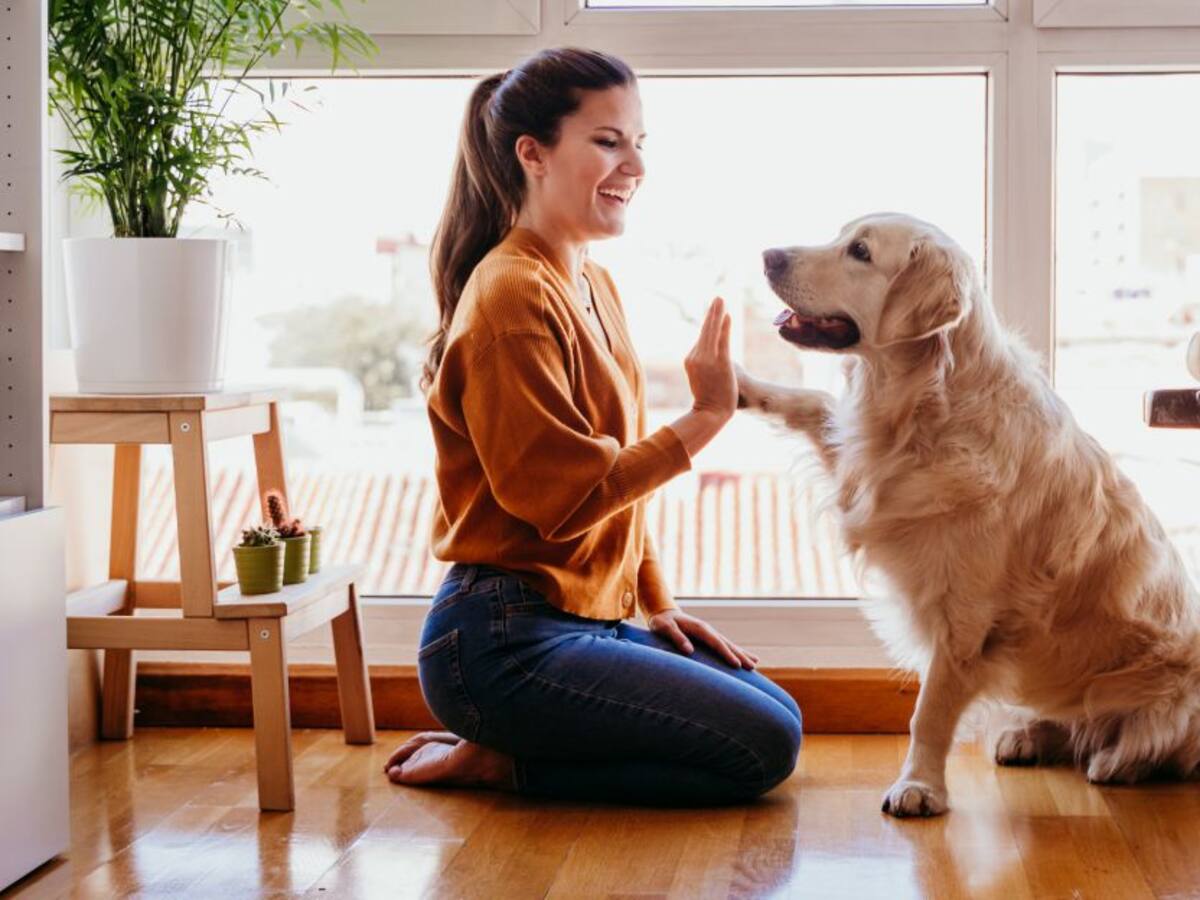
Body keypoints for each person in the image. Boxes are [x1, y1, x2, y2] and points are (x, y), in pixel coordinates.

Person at [384, 47, 801, 805]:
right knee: (763, 748)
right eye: (608, 141)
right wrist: (707, 416)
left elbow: (615, 490)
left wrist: (656, 601)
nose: (633, 165)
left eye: (640, 143)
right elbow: (564, 500)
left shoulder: (590, 281)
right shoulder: (510, 297)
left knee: (779, 713)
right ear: (533, 154)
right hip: (499, 640)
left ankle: (509, 748)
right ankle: (499, 761)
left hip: (583, 617)